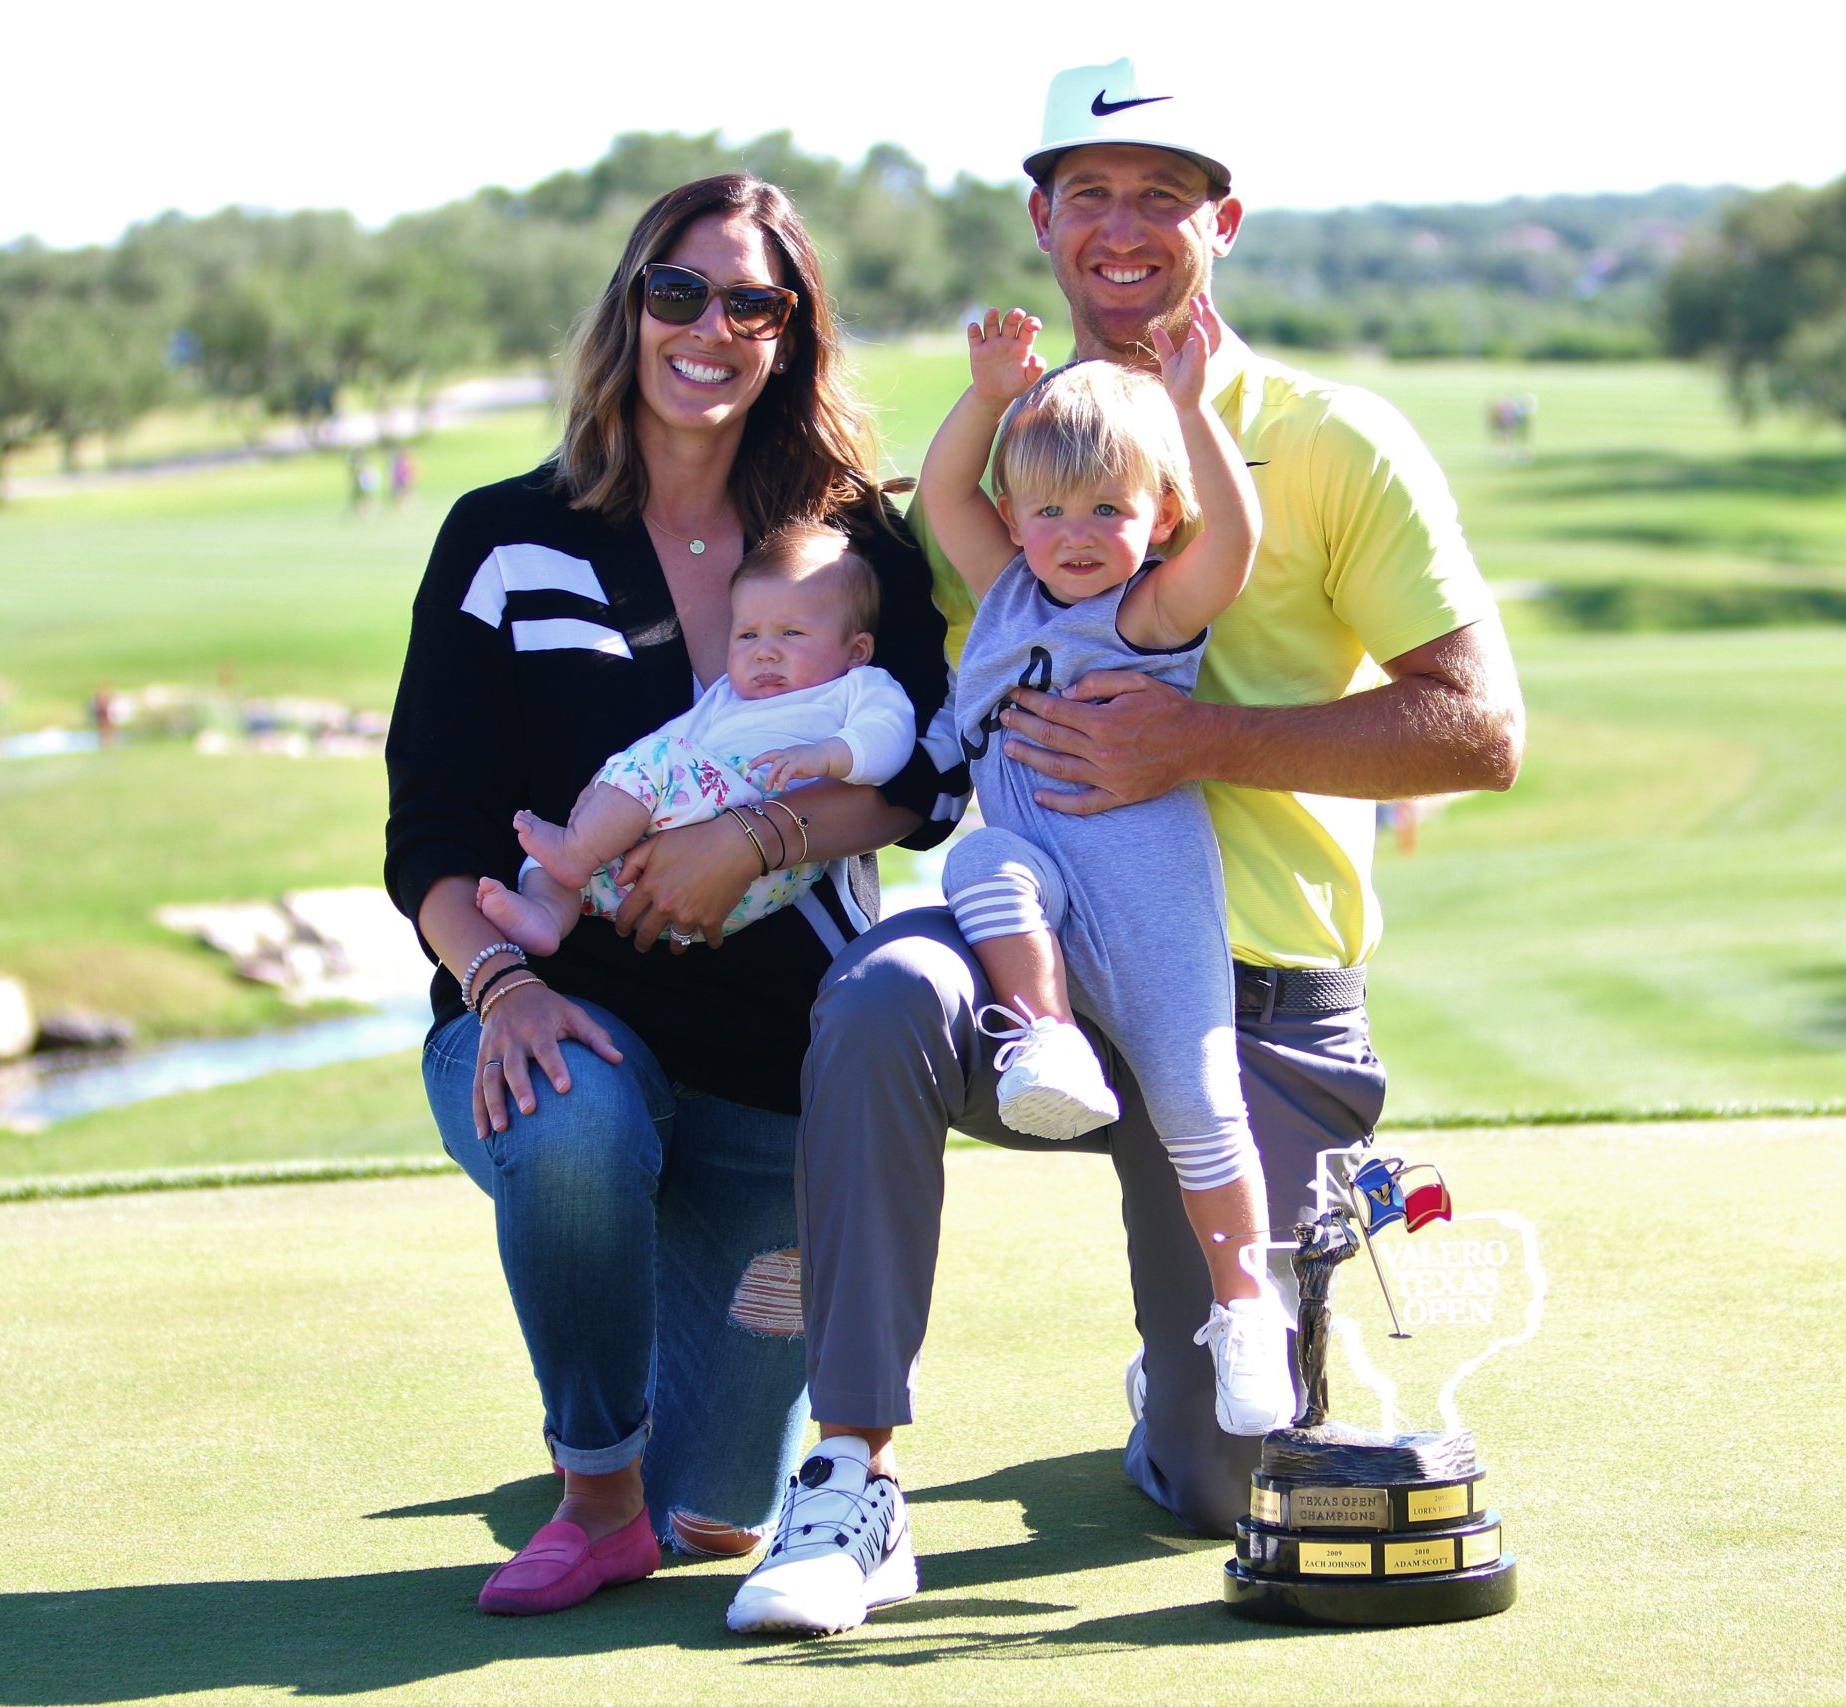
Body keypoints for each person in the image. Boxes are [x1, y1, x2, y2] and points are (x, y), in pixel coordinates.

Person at [726, 58, 1524, 1637]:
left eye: (1166, 192)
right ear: (1041, 218)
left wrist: (1204, 737)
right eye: (1089, 190)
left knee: (1230, 1475)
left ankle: (1184, 1374)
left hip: (1261, 987)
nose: (1124, 225)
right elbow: (878, 707)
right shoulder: (1010, 460)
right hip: (1028, 954)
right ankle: (852, 1472)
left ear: (1222, 221)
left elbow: (1478, 732)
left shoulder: (1330, 438)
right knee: (885, 995)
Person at [385, 173, 963, 1619]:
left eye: (754, 302)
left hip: (780, 1071)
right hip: (565, 1014)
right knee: (575, 1122)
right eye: (679, 291)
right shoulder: (501, 536)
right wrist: (502, 982)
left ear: (794, 335)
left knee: (725, 1510)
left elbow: (934, 778)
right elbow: (432, 829)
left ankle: (657, 1418)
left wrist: (757, 837)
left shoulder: (855, 545)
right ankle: (590, 1492)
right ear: (630, 305)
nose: (712, 326)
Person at [917, 302, 1292, 1436]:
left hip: (1146, 897)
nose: (1073, 533)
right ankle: (1045, 1033)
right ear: (1016, 521)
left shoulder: (1148, 612)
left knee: (1197, 1104)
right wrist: (989, 395)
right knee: (980, 861)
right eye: (1046, 510)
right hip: (1042, 884)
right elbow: (942, 495)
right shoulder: (1010, 590)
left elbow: (1234, 542)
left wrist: (1187, 409)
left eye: (1106, 509)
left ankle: (1242, 1310)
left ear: (1157, 515)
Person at [477, 521, 917, 957]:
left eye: (791, 633)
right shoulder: (727, 694)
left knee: (648, 771)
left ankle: (574, 851)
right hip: (669, 868)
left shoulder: (856, 687)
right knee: (562, 856)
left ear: (856, 650)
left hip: (768, 845)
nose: (765, 650)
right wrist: (608, 782)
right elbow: (673, 736)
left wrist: (827, 756)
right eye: (748, 634)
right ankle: (547, 915)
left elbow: (890, 742)